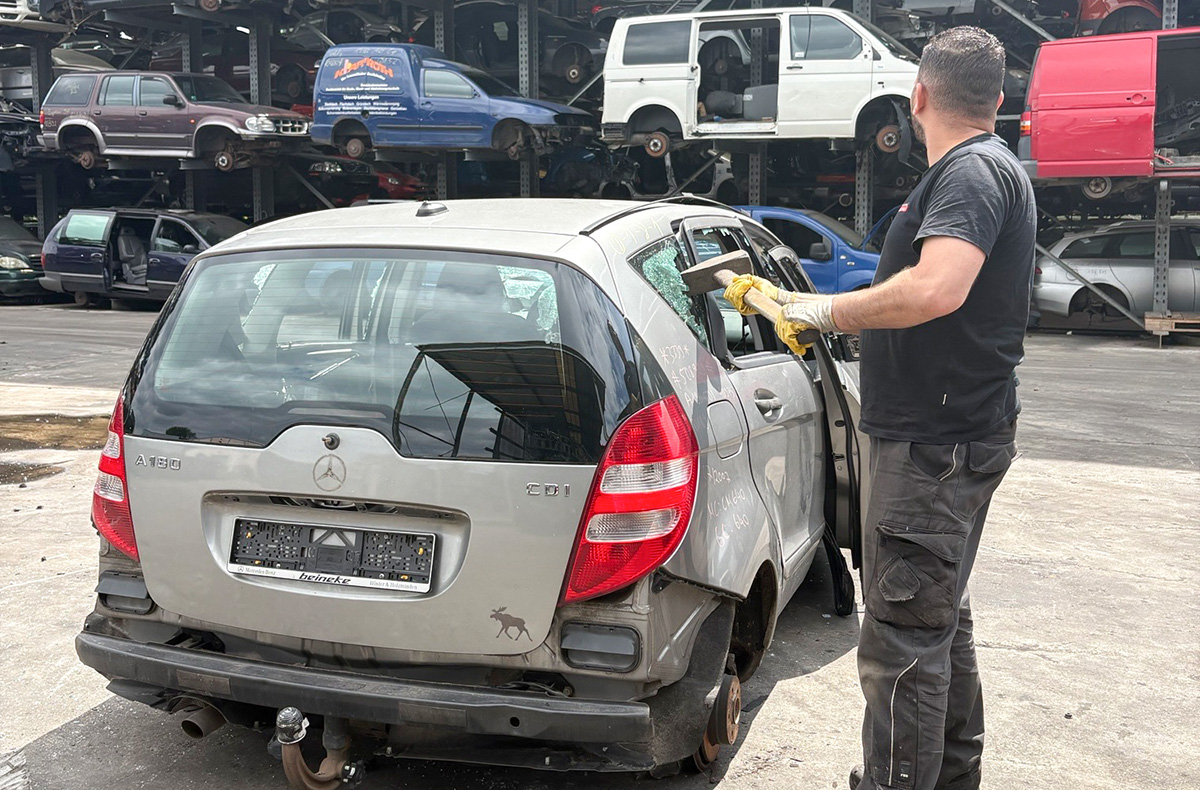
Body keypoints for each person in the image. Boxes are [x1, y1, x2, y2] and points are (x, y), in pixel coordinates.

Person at [725, 26, 1036, 790]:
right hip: (956, 436)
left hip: (934, 449)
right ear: (998, 100)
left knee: (900, 642)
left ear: (919, 97)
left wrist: (821, 312)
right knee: (936, 621)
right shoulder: (994, 167)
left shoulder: (967, 175)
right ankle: (952, 776)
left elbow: (937, 289)